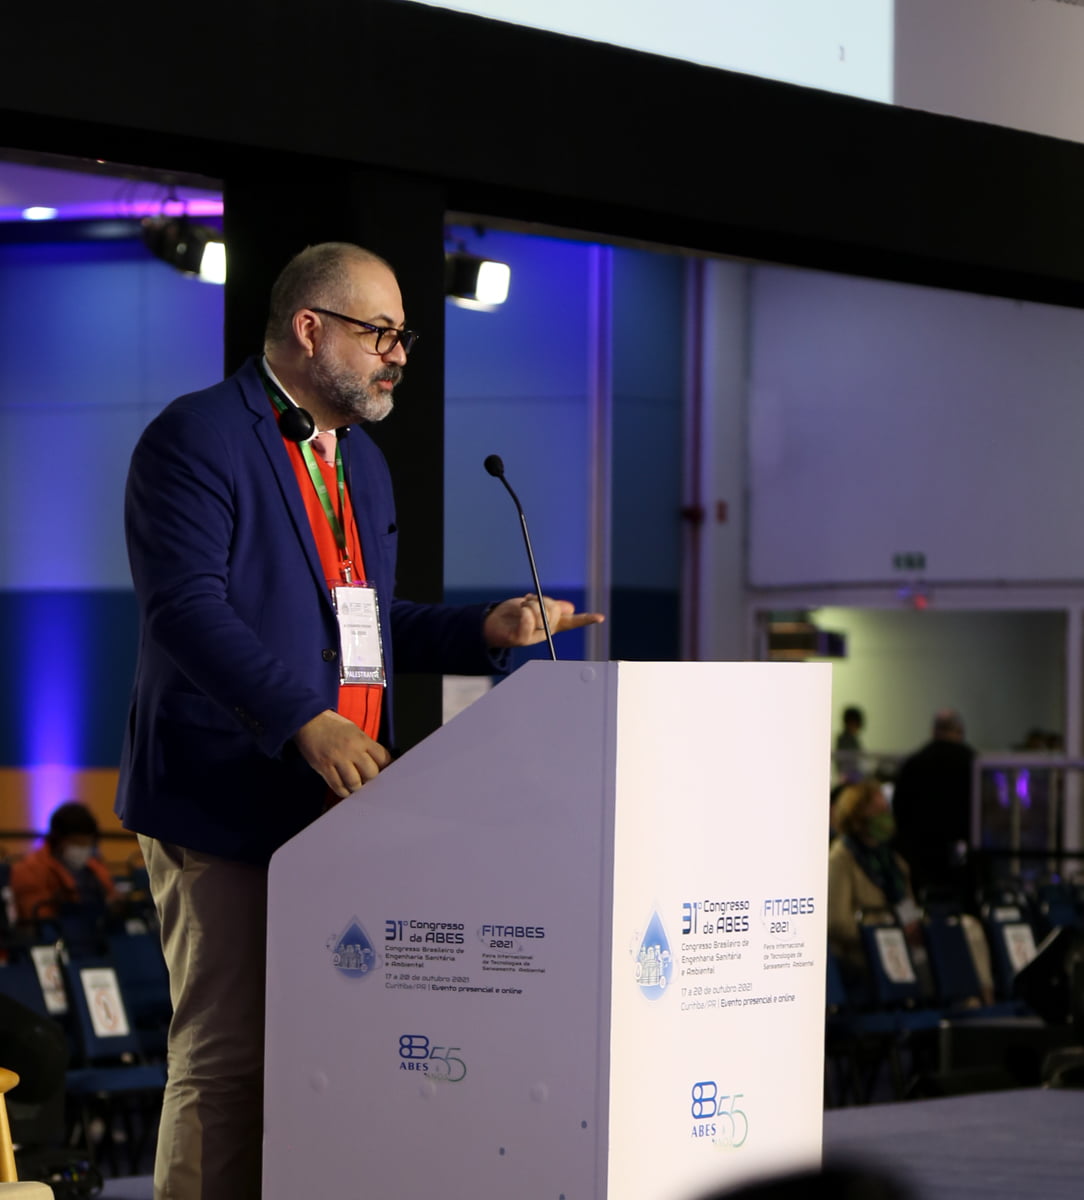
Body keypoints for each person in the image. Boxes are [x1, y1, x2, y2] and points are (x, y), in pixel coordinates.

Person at [114, 241, 603, 1200]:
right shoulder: (198, 438)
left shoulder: (362, 464)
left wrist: (484, 629)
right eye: (381, 333)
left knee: (327, 1058)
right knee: (227, 1058)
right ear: (309, 328)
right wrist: (306, 718)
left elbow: (362, 628)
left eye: (404, 336)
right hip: (223, 801)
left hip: (341, 811)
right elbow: (186, 611)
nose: (399, 355)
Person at [827, 780, 923, 985]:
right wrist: (879, 932)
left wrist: (910, 926)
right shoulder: (841, 858)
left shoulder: (892, 861)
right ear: (858, 816)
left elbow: (907, 904)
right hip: (861, 955)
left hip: (900, 945)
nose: (885, 817)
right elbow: (837, 922)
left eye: (886, 810)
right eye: (878, 811)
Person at [890, 709, 975, 901]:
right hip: (960, 853)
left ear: (934, 730)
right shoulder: (971, 761)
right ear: (959, 730)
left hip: (921, 854)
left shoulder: (914, 762)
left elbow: (899, 809)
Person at [10, 801, 117, 926]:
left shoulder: (93, 865)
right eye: (77, 843)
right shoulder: (29, 870)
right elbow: (40, 920)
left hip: (100, 930)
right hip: (60, 933)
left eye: (88, 844)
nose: (83, 849)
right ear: (58, 840)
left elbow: (111, 896)